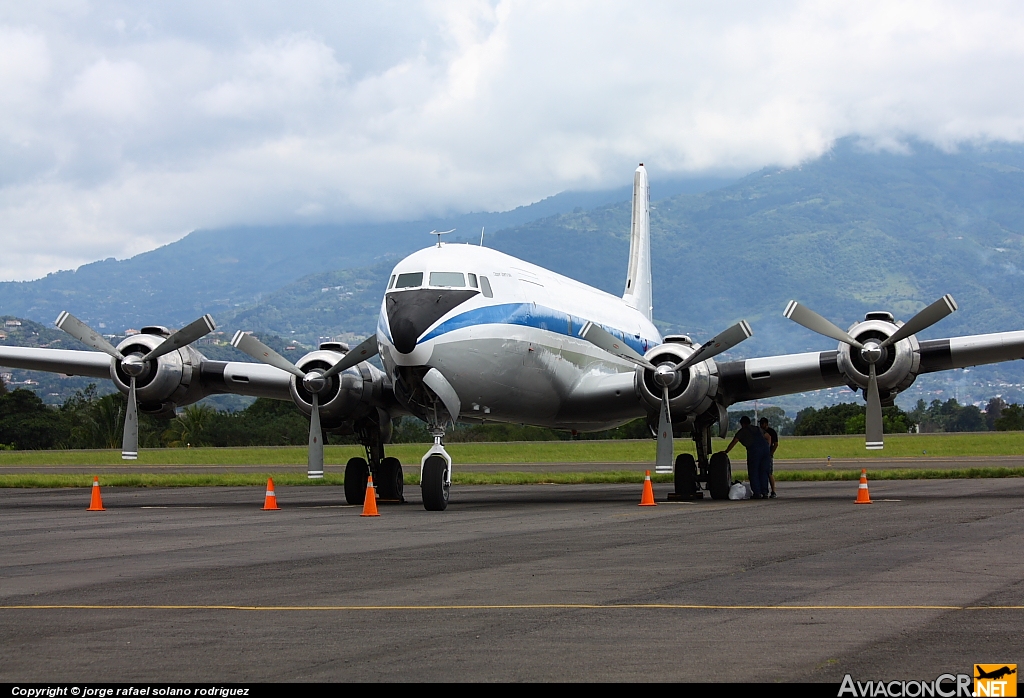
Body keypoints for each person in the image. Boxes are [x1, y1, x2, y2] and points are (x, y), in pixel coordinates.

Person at [724, 415, 772, 498]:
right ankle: (765, 493)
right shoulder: (757, 428)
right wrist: (767, 447)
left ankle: (757, 493)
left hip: (754, 451)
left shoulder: (742, 431)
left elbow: (734, 441)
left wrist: (726, 451)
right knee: (763, 471)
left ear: (742, 424)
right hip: (765, 450)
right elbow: (768, 437)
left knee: (754, 472)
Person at [759, 417, 779, 498]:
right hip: (761, 454)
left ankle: (773, 491)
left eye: (762, 423)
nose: (761, 425)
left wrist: (771, 453)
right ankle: (763, 491)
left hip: (768, 454)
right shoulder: (760, 431)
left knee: (769, 473)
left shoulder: (771, 432)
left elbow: (776, 444)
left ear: (766, 424)